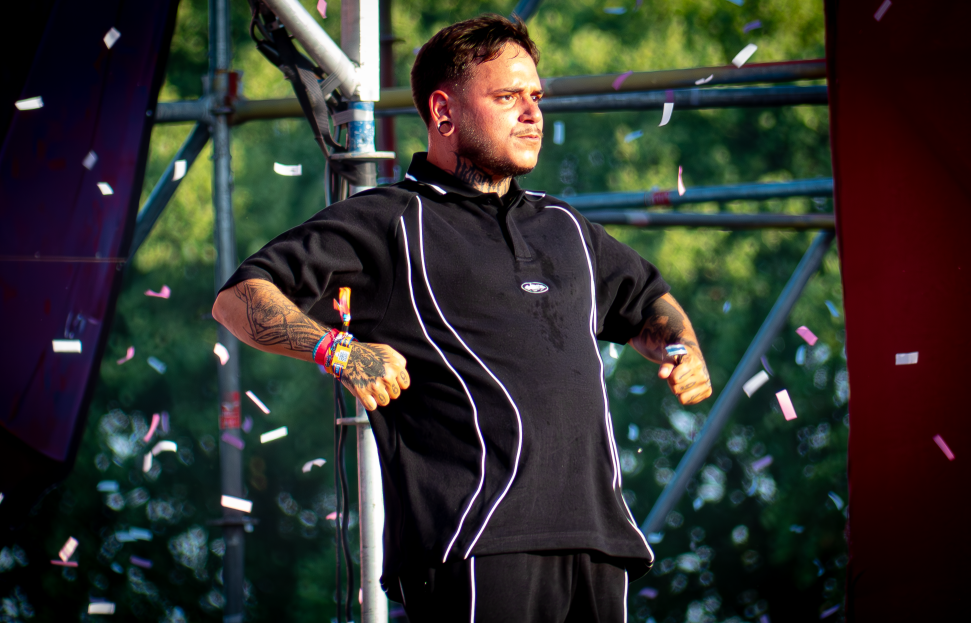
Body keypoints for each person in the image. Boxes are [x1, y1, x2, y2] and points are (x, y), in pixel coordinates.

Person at [213, 14, 712, 623]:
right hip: (473, 542)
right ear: (444, 113)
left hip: (600, 540)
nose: (531, 114)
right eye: (507, 97)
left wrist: (682, 349)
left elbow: (649, 300)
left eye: (535, 97)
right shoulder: (389, 221)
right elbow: (239, 298)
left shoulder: (566, 227)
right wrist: (339, 352)